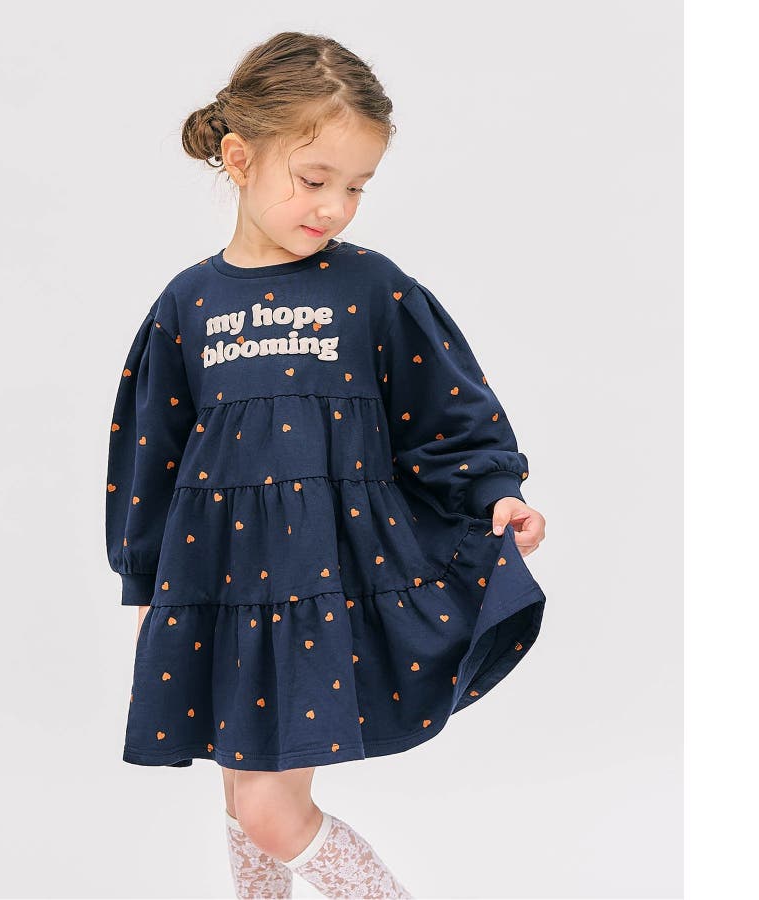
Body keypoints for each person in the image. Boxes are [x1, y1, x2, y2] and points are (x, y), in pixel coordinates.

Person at [105, 30, 547, 899]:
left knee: (273, 809)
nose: (336, 207)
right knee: (244, 804)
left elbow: (446, 409)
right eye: (315, 180)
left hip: (321, 586)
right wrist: (150, 580)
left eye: (356, 186)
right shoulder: (187, 303)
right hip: (222, 586)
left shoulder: (371, 289)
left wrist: (495, 492)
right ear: (240, 158)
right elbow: (150, 451)